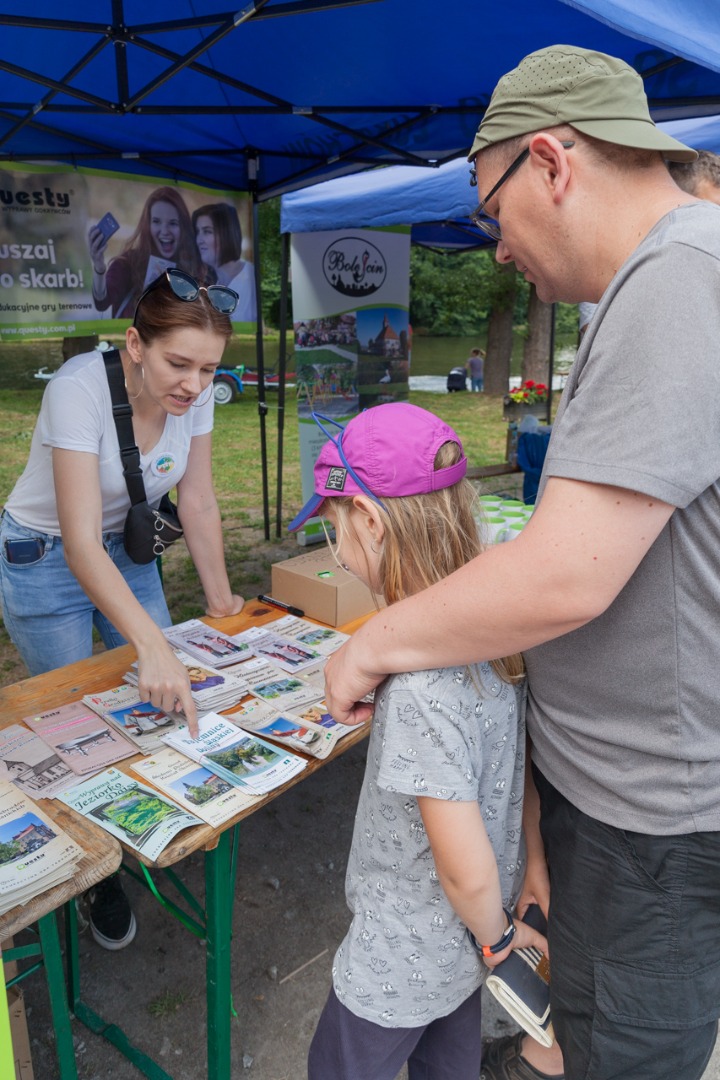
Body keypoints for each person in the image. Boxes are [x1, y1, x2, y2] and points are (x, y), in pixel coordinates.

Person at [321, 44, 720, 1080]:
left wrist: (376, 645)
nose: (496, 248)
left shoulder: (680, 279)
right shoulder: (651, 285)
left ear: (550, 163)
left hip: (654, 824)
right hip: (630, 806)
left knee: (620, 1056)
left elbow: (567, 575)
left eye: (492, 212)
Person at [289, 402, 545, 1080]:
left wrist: (497, 942)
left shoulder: (417, 689)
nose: (335, 552)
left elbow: (462, 865)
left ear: (371, 522)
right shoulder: (494, 641)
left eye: (333, 530)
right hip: (459, 956)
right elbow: (516, 778)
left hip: (399, 959)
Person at [0, 268, 244, 948]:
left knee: (162, 698)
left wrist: (223, 602)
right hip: (46, 558)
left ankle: (154, 818)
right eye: (178, 364)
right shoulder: (76, 388)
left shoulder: (196, 396)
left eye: (208, 368)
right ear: (134, 343)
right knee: (76, 725)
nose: (193, 386)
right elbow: (80, 543)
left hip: (127, 552)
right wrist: (153, 643)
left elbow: (195, 498)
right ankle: (97, 878)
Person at [88, 186, 208, 319]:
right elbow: (102, 301)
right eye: (156, 222)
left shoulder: (193, 269)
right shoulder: (127, 264)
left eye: (173, 223)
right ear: (147, 225)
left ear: (183, 227)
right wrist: (99, 266)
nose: (164, 231)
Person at [192, 202, 257, 322]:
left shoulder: (252, 277)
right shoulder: (210, 282)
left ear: (226, 234)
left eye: (207, 231)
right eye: (198, 232)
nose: (199, 240)